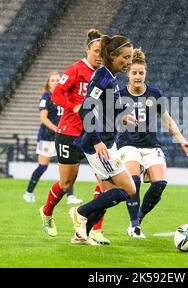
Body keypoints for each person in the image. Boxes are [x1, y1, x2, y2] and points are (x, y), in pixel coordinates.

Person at [116, 48, 188, 238]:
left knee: (159, 184)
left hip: (151, 146)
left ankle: (139, 217)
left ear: (146, 73)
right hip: (128, 145)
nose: (138, 76)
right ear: (128, 73)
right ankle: (135, 226)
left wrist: (182, 141)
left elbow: (167, 120)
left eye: (141, 73)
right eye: (134, 72)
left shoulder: (154, 94)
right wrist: (122, 119)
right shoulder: (119, 95)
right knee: (134, 181)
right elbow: (111, 119)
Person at [39, 29, 110, 245]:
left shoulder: (104, 74)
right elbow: (57, 94)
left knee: (106, 183)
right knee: (67, 183)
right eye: (96, 51)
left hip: (93, 136)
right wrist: (75, 106)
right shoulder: (75, 70)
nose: (99, 56)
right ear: (87, 50)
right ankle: (47, 210)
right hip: (69, 133)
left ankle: (93, 230)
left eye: (103, 53)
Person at [68, 35, 138, 244]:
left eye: (130, 58)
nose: (128, 62)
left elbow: (105, 108)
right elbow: (86, 109)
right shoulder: (102, 77)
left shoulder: (110, 77)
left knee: (107, 196)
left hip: (105, 143)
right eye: (125, 58)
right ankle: (79, 212)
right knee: (128, 189)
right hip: (100, 145)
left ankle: (82, 235)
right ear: (112, 55)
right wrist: (97, 140)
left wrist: (122, 116)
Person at [23, 72, 82, 205]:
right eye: (53, 80)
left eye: (58, 80)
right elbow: (43, 117)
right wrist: (56, 129)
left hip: (62, 137)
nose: (56, 82)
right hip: (47, 137)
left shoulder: (65, 96)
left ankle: (71, 196)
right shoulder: (46, 97)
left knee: (67, 165)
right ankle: (28, 193)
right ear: (48, 83)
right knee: (43, 166)